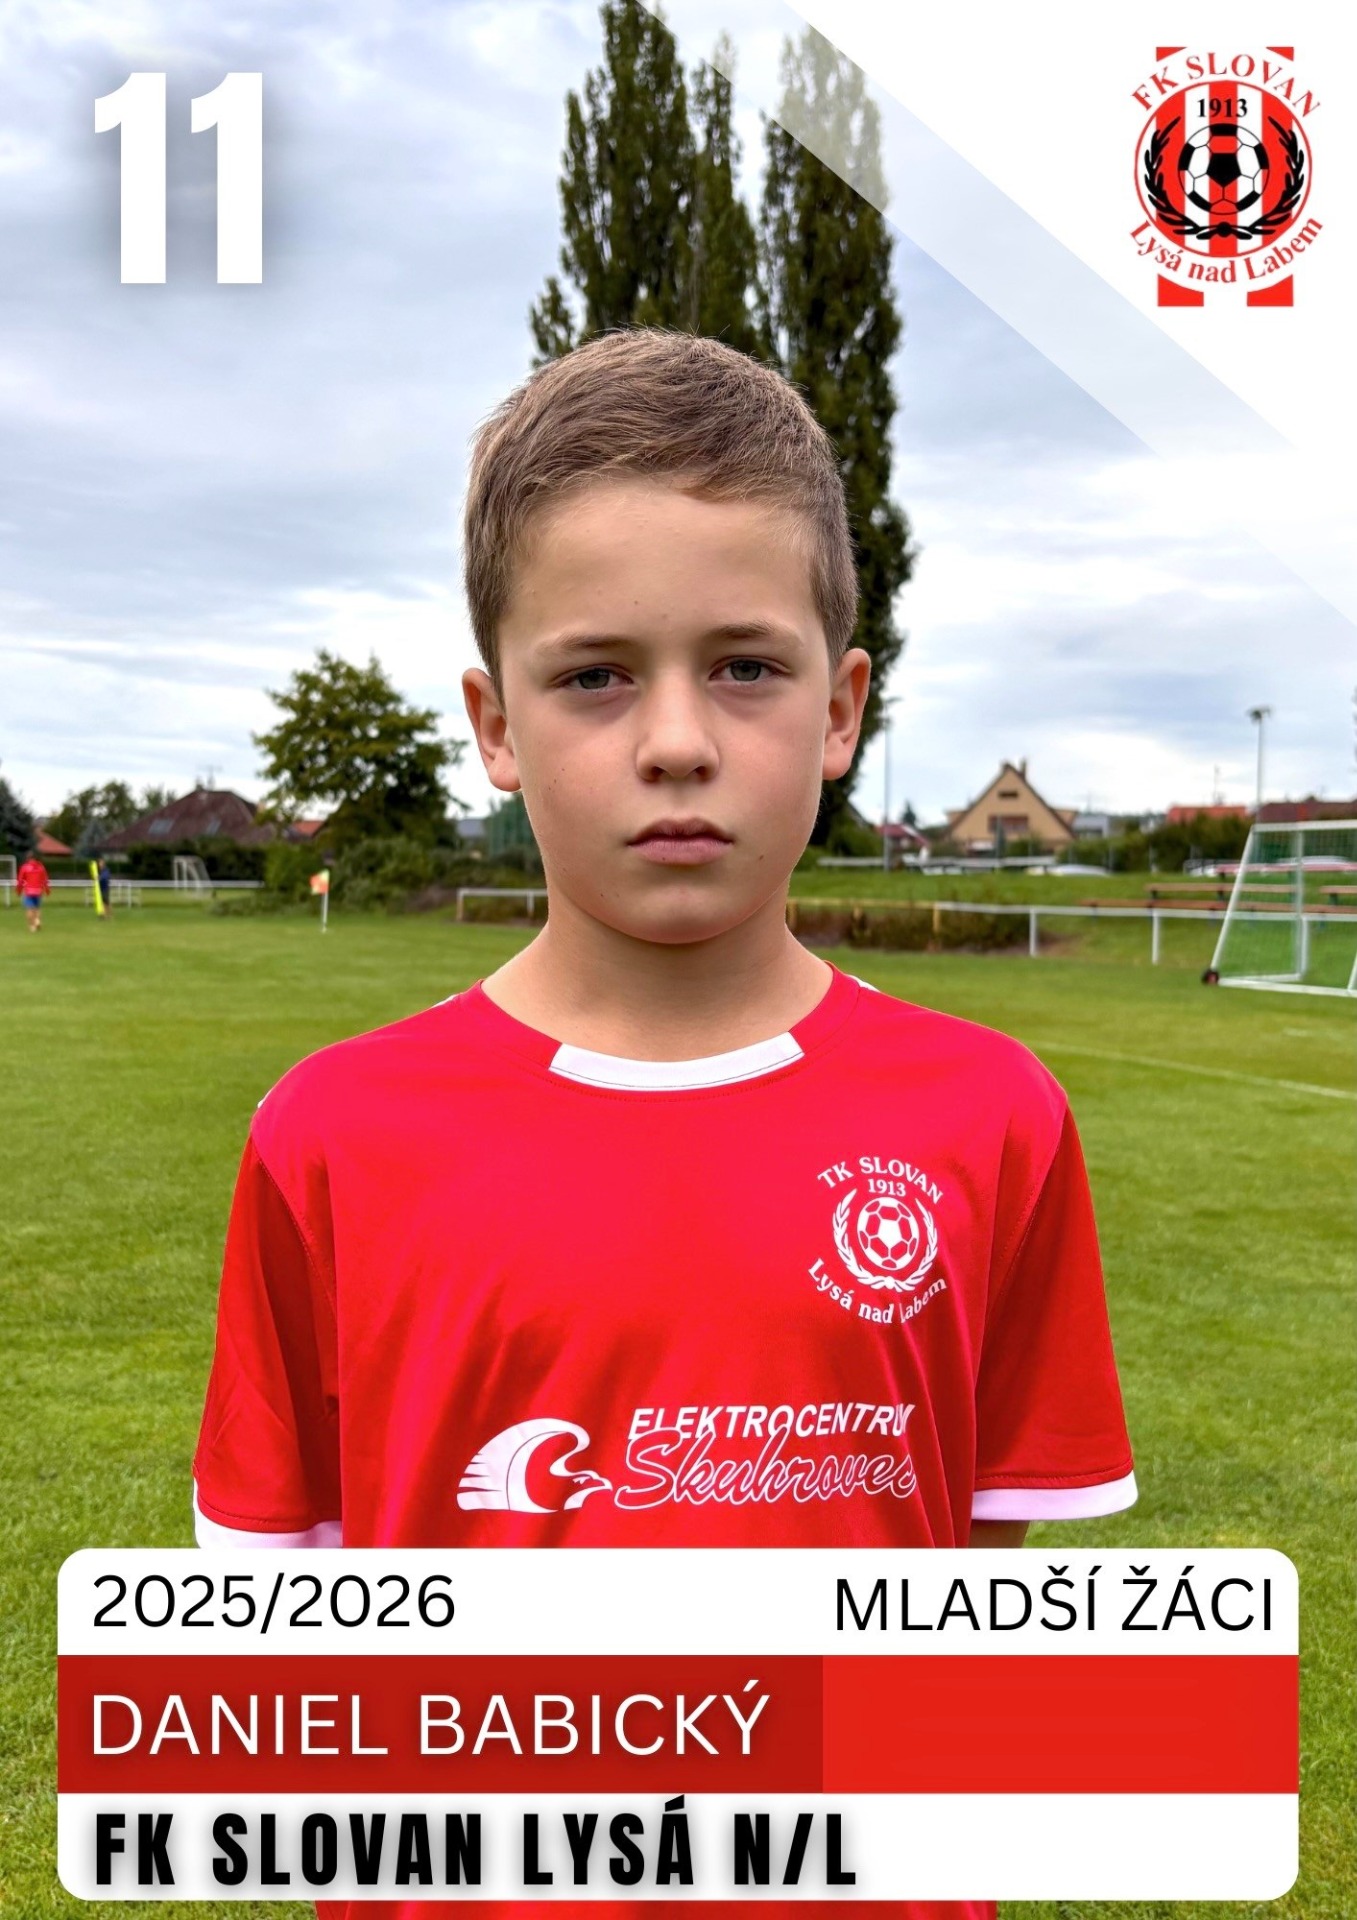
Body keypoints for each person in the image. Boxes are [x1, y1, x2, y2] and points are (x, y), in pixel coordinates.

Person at [193, 329, 1136, 1920]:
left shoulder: (991, 1118)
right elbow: (293, 1631)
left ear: (840, 709)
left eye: (746, 667)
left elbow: (979, 1598)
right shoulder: (332, 1136)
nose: (678, 740)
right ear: (496, 724)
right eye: (595, 675)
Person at [16, 852, 49, 931]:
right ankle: (37, 920)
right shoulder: (41, 867)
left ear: (28, 858)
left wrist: (19, 890)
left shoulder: (25, 867)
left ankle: (32, 926)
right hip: (38, 891)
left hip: (29, 891)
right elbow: (45, 880)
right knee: (37, 908)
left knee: (29, 909)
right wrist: (47, 890)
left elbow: (20, 881)